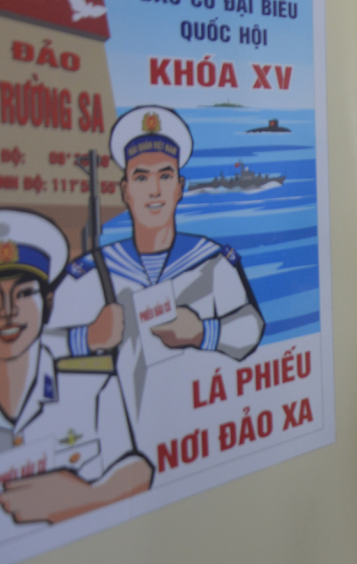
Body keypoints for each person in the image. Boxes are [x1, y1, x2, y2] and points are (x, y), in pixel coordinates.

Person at [46, 107, 265, 455]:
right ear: (125, 190)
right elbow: (34, 348)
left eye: (165, 176)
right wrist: (85, 337)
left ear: (179, 188)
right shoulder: (92, 274)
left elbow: (251, 327)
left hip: (200, 436)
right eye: (141, 178)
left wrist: (203, 332)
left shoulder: (211, 262)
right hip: (118, 449)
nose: (155, 191)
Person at [0, 210, 151, 533]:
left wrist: (85, 498)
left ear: (48, 302)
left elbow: (137, 469)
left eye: (24, 293)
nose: (8, 312)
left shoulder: (91, 385)